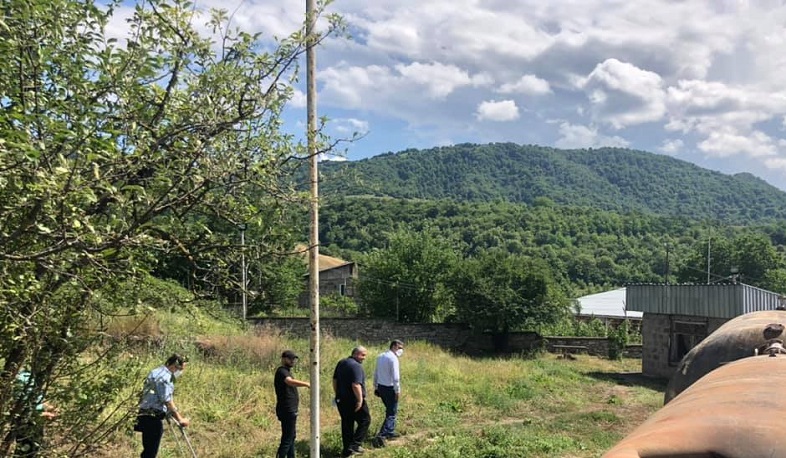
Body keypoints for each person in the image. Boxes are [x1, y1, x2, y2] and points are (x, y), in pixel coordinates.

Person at [135, 354, 191, 458]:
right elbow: (167, 400)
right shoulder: (166, 377)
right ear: (175, 365)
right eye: (181, 369)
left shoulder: (155, 371)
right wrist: (180, 419)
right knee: (150, 453)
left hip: (144, 413)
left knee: (147, 450)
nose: (181, 372)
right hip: (153, 418)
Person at [333, 346, 371, 457]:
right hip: (354, 400)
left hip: (342, 400)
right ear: (355, 354)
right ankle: (355, 446)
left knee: (347, 424)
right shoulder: (356, 366)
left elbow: (334, 380)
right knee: (365, 420)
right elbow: (356, 385)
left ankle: (347, 451)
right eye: (362, 355)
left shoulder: (342, 362)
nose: (364, 358)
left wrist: (337, 394)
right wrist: (360, 400)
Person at [12, 369, 57, 457]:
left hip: (35, 418)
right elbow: (22, 406)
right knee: (26, 449)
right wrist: (43, 414)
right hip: (28, 421)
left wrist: (48, 407)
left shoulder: (33, 377)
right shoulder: (22, 378)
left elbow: (36, 400)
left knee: (34, 448)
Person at [274, 350, 310, 458]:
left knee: (291, 436)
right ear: (284, 359)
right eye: (290, 359)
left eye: (294, 359)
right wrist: (307, 384)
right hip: (286, 409)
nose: (293, 361)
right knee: (288, 437)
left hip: (289, 408)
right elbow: (289, 381)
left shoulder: (287, 371)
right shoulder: (282, 371)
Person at [373, 340, 404, 442]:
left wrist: (376, 386)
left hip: (381, 387)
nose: (401, 350)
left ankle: (390, 431)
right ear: (394, 346)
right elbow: (396, 377)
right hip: (390, 388)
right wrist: (397, 390)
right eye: (400, 348)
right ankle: (382, 435)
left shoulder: (381, 356)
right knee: (392, 412)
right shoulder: (393, 358)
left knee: (389, 410)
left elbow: (376, 372)